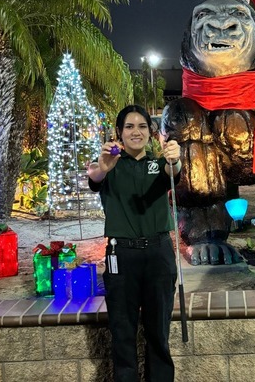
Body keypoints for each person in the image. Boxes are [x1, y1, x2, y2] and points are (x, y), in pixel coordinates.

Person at [87, 105, 182, 382]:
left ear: (151, 133)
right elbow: (95, 175)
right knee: (123, 331)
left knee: (158, 332)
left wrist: (175, 159)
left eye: (142, 126)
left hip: (159, 254)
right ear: (120, 132)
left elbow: (172, 171)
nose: (136, 131)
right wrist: (103, 167)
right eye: (129, 126)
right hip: (122, 255)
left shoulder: (157, 162)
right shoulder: (109, 163)